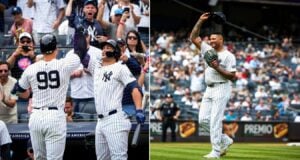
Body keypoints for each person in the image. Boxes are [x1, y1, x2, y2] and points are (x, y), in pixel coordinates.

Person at [12, 34, 80, 160]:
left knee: (39, 158)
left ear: (41, 50)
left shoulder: (31, 68)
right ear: (56, 49)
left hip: (36, 116)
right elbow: (80, 52)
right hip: (55, 117)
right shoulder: (63, 64)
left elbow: (18, 90)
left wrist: (30, 94)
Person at [82, 39, 145, 159]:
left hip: (115, 119)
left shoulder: (120, 68)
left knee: (118, 157)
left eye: (108, 48)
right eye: (104, 47)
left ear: (115, 52)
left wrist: (139, 109)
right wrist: (78, 33)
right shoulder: (96, 67)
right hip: (100, 121)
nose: (104, 50)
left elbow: (134, 88)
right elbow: (81, 55)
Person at [190, 12, 237, 158]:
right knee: (203, 120)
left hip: (222, 86)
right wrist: (200, 21)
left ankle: (216, 151)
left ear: (221, 39)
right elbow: (193, 38)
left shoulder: (228, 56)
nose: (211, 41)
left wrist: (217, 67)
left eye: (214, 38)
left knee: (215, 120)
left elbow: (232, 76)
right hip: (209, 88)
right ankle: (225, 139)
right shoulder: (207, 50)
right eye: (210, 39)